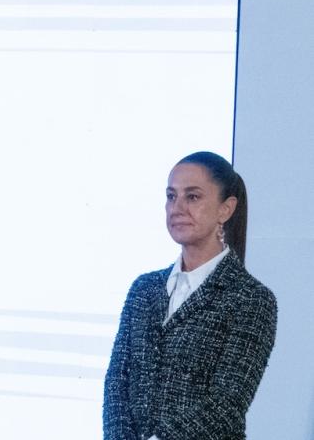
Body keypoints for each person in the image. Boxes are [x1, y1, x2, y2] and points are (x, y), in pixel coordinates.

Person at [103, 151, 277, 440]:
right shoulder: (143, 290)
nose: (177, 208)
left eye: (192, 197)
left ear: (226, 209)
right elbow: (116, 384)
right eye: (171, 196)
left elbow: (227, 403)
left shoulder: (250, 299)